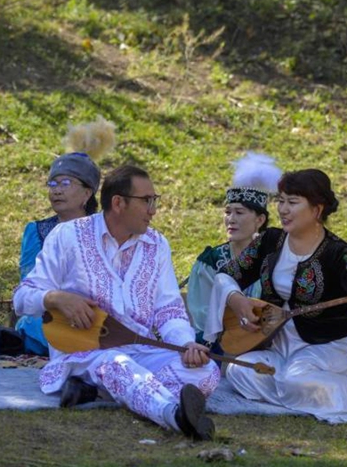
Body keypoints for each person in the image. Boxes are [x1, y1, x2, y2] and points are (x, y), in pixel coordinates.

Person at [13, 165, 219, 440]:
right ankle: (174, 416)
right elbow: (22, 298)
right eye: (146, 201)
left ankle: (97, 390)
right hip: (84, 352)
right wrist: (55, 298)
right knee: (115, 364)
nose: (153, 210)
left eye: (154, 200)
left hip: (140, 349)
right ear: (119, 203)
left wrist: (185, 344)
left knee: (206, 372)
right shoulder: (68, 236)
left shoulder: (157, 245)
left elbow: (168, 310)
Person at [203, 169, 347, 424]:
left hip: (328, 347)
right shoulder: (270, 241)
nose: (283, 210)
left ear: (317, 209)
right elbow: (226, 275)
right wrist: (236, 299)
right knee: (240, 370)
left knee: (296, 379)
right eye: (280, 201)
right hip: (280, 346)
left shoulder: (338, 253)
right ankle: (315, 394)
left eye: (292, 202)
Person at [15, 117, 115, 355]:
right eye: (52, 184)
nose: (57, 190)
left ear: (87, 193)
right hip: (49, 316)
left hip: (94, 316)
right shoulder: (37, 231)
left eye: (66, 183)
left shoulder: (106, 231)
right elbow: (30, 285)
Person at [186, 153, 279, 350]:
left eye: (239, 212)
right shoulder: (211, 261)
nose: (231, 219)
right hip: (218, 343)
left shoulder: (275, 259)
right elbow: (202, 313)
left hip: (267, 341)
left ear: (260, 220)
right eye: (228, 212)